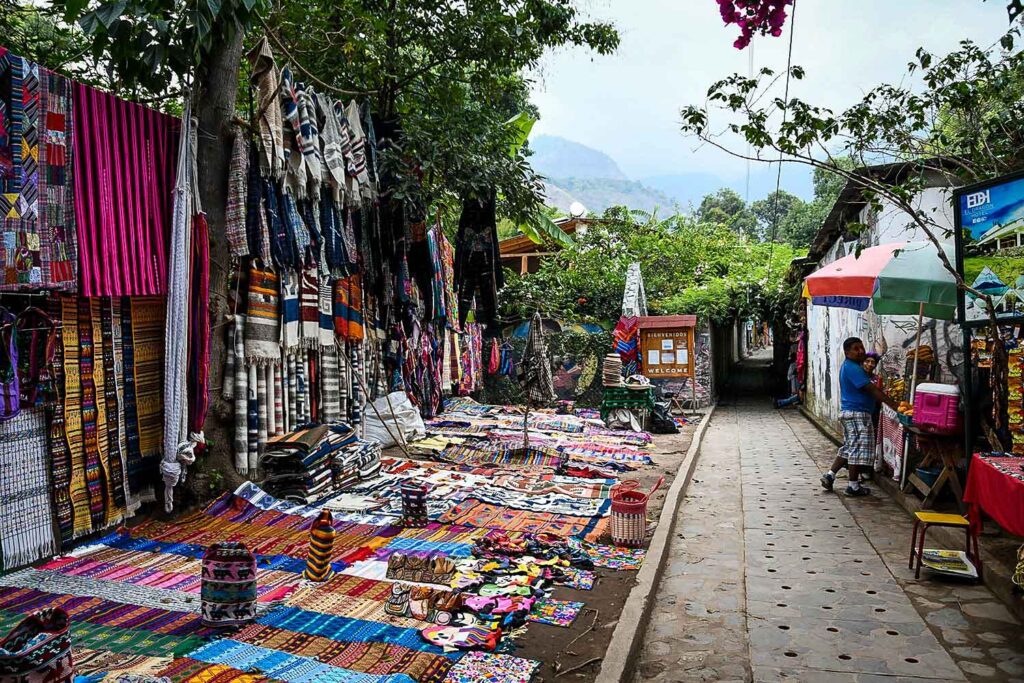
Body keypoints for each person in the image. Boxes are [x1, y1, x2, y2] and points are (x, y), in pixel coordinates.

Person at [820, 337, 899, 497]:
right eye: (856, 349)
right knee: (856, 449)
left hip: (853, 412)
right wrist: (895, 406)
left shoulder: (853, 367)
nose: (861, 351)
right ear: (847, 352)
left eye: (861, 347)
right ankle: (853, 485)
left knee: (850, 447)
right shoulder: (852, 368)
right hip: (857, 413)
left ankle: (830, 475)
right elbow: (873, 390)